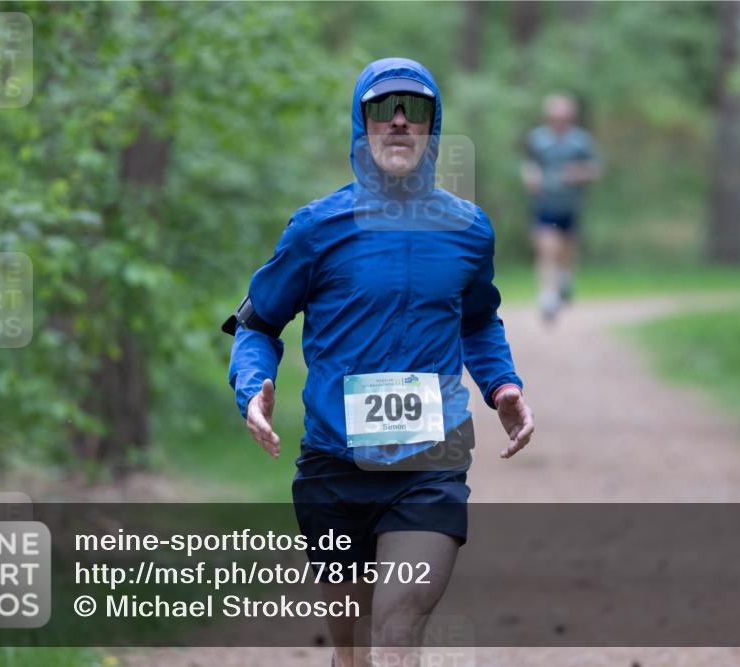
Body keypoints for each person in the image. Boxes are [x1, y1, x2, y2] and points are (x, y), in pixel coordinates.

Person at [225, 57, 533, 667]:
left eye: (413, 110)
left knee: (396, 631)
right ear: (360, 124)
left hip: (430, 463)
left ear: (432, 126)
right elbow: (258, 324)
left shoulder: (469, 229)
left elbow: (476, 318)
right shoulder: (317, 228)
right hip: (333, 469)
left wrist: (502, 385)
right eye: (381, 109)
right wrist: (253, 385)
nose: (397, 123)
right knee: (355, 651)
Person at [521, 93, 600, 320]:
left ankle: (565, 280)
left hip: (570, 205)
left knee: (566, 251)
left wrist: (579, 172)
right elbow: (528, 164)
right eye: (554, 116)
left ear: (570, 117)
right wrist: (531, 175)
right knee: (547, 248)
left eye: (563, 116)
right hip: (545, 203)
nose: (558, 120)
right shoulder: (537, 138)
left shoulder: (581, 141)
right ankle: (547, 296)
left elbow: (595, 168)